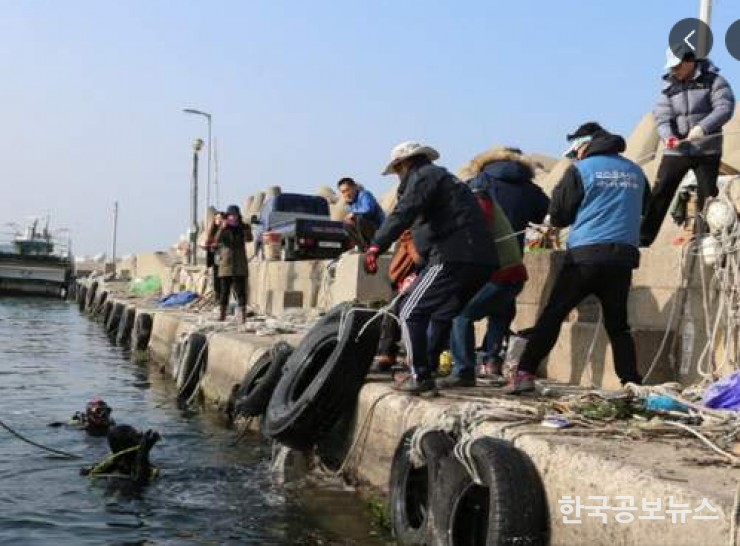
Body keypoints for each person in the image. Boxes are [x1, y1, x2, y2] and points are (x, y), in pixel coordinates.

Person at [506, 123, 650, 394]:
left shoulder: (581, 170)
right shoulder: (636, 171)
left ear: (583, 145)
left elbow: (560, 215)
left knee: (553, 315)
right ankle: (632, 383)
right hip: (622, 257)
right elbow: (646, 209)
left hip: (585, 255)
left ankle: (524, 373)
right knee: (618, 326)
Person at [364, 141, 497, 394]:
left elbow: (403, 211)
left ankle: (420, 375)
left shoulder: (424, 176)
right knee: (443, 313)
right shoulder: (448, 181)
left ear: (404, 164)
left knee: (408, 311)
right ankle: (431, 368)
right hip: (481, 261)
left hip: (453, 257)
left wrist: (376, 246)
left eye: (397, 171)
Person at [464, 148, 550, 371]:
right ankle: (492, 359)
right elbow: (546, 215)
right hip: (512, 261)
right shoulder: (529, 188)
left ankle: (463, 365)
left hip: (479, 260)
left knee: (463, 314)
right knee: (501, 313)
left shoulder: (479, 181)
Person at [640, 47, 735, 247]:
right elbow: (662, 117)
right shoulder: (669, 88)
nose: (674, 71)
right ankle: (643, 240)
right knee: (661, 191)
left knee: (707, 196)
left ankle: (704, 241)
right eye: (672, 67)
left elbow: (725, 108)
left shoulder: (714, 81)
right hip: (677, 151)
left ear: (690, 62)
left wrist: (703, 127)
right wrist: (669, 137)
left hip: (707, 150)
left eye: (677, 66)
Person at [438, 190, 528, 388]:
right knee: (498, 316)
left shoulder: (478, 203)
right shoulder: (490, 205)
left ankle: (463, 371)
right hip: (514, 276)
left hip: (501, 276)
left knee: (460, 316)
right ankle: (491, 363)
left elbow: (475, 233)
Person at [81, 425, 160, 489]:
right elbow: (139, 486)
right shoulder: (115, 477)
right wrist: (143, 454)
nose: (142, 441)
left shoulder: (136, 466)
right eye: (137, 437)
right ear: (126, 446)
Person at [215, 205, 253, 322]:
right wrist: (222, 227)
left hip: (239, 265)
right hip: (226, 264)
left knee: (241, 291)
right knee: (224, 291)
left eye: (235, 215)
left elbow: (249, 239)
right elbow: (217, 240)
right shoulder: (224, 228)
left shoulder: (243, 227)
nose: (233, 218)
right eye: (231, 215)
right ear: (228, 216)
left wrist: (245, 229)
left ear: (238, 216)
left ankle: (242, 316)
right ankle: (222, 314)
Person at [337, 177, 386, 250]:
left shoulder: (365, 194)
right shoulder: (352, 203)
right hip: (368, 232)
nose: (346, 194)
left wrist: (354, 213)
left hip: (379, 231)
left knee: (360, 218)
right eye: (343, 192)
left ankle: (373, 245)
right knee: (346, 223)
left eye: (347, 190)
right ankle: (363, 247)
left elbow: (368, 210)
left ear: (354, 187)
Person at [48, 397, 115, 437]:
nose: (102, 415)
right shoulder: (80, 424)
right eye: (98, 411)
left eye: (106, 411)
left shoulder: (111, 423)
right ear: (90, 415)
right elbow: (64, 425)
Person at [204, 210, 224, 301]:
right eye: (217, 218)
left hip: (223, 258)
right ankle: (217, 296)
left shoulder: (224, 230)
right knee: (216, 277)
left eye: (220, 218)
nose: (218, 220)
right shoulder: (212, 231)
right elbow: (209, 244)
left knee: (222, 278)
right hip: (214, 257)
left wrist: (217, 245)